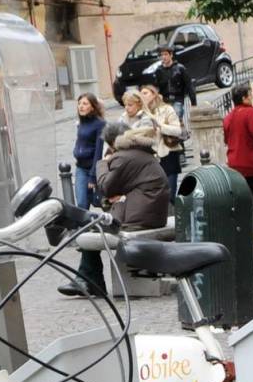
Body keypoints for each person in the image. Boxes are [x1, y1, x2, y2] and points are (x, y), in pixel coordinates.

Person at [58, 121, 169, 297]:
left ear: (112, 144)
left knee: (91, 226)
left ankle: (89, 280)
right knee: (96, 223)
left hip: (138, 219)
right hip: (151, 214)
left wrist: (103, 163)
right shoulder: (142, 153)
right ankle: (87, 279)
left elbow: (105, 187)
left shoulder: (123, 157)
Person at [222, 84, 253, 241]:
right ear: (244, 98)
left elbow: (226, 138)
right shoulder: (250, 112)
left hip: (234, 162)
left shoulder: (229, 116)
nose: (252, 98)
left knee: (246, 196)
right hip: (251, 162)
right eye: (250, 95)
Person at [139, 82, 185, 199]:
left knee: (170, 195)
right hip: (151, 159)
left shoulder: (167, 109)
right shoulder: (141, 114)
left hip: (168, 154)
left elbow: (178, 130)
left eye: (145, 93)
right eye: (141, 94)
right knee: (158, 197)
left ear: (154, 94)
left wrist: (160, 126)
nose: (142, 96)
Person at [71, 93, 106, 209]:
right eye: (79, 103)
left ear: (92, 107)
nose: (81, 106)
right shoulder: (81, 122)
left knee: (96, 201)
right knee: (81, 203)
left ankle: (98, 222)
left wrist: (93, 176)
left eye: (85, 104)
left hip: (92, 168)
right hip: (80, 168)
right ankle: (86, 225)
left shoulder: (99, 124)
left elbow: (98, 151)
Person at [155, 46, 197, 125]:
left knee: (177, 117)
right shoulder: (159, 70)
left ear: (171, 55)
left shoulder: (180, 68)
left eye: (166, 54)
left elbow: (189, 85)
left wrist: (194, 103)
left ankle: (181, 131)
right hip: (164, 100)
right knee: (166, 122)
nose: (163, 57)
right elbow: (156, 87)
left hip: (177, 99)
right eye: (162, 55)